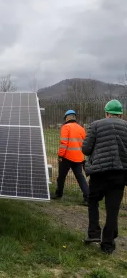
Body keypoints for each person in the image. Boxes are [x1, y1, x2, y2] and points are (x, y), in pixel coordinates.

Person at [82, 99, 127, 254]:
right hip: (119, 175)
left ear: (106, 112)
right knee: (112, 209)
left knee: (93, 199)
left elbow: (86, 149)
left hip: (99, 173)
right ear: (120, 114)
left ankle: (93, 233)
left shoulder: (96, 125)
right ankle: (108, 244)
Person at [51, 110, 89, 204]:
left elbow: (64, 143)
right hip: (79, 158)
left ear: (67, 118)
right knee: (80, 177)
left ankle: (59, 194)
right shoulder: (81, 128)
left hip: (67, 157)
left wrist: (60, 155)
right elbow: (85, 144)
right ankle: (87, 198)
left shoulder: (65, 127)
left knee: (61, 177)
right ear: (74, 117)